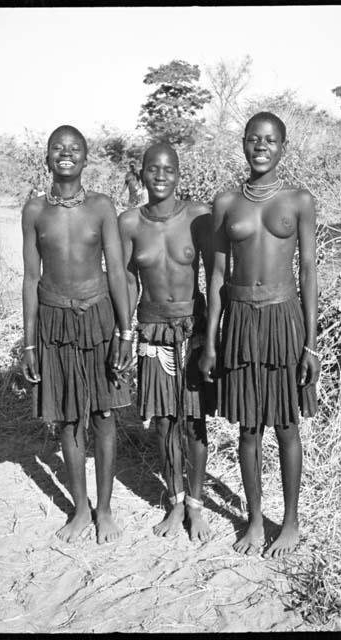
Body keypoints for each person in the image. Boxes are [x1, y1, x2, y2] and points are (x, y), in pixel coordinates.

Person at [199, 112, 320, 558]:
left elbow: (308, 272)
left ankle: (288, 524)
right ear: (244, 145)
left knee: (286, 425)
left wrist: (311, 341)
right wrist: (211, 341)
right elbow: (215, 276)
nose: (260, 146)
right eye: (253, 139)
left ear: (283, 146)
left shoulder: (299, 201)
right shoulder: (226, 202)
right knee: (248, 428)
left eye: (270, 140)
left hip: (284, 319)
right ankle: (253, 521)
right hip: (241, 320)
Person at [21, 125, 133, 544]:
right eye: (57, 148)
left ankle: (105, 510)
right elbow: (32, 278)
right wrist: (29, 342)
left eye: (74, 149)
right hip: (53, 321)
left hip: (98, 319)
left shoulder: (102, 207)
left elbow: (117, 271)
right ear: (47, 157)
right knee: (69, 420)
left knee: (104, 416)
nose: (65, 154)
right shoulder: (33, 211)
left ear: (86, 159)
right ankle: (81, 510)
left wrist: (125, 332)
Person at [118, 143, 214, 542]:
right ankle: (175, 502)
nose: (160, 176)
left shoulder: (199, 217)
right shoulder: (129, 223)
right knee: (163, 422)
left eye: (168, 169)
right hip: (152, 329)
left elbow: (217, 277)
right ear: (141, 174)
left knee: (193, 422)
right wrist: (125, 332)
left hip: (192, 329)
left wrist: (213, 337)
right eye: (152, 169)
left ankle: (196, 505)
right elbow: (126, 281)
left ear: (179, 173)